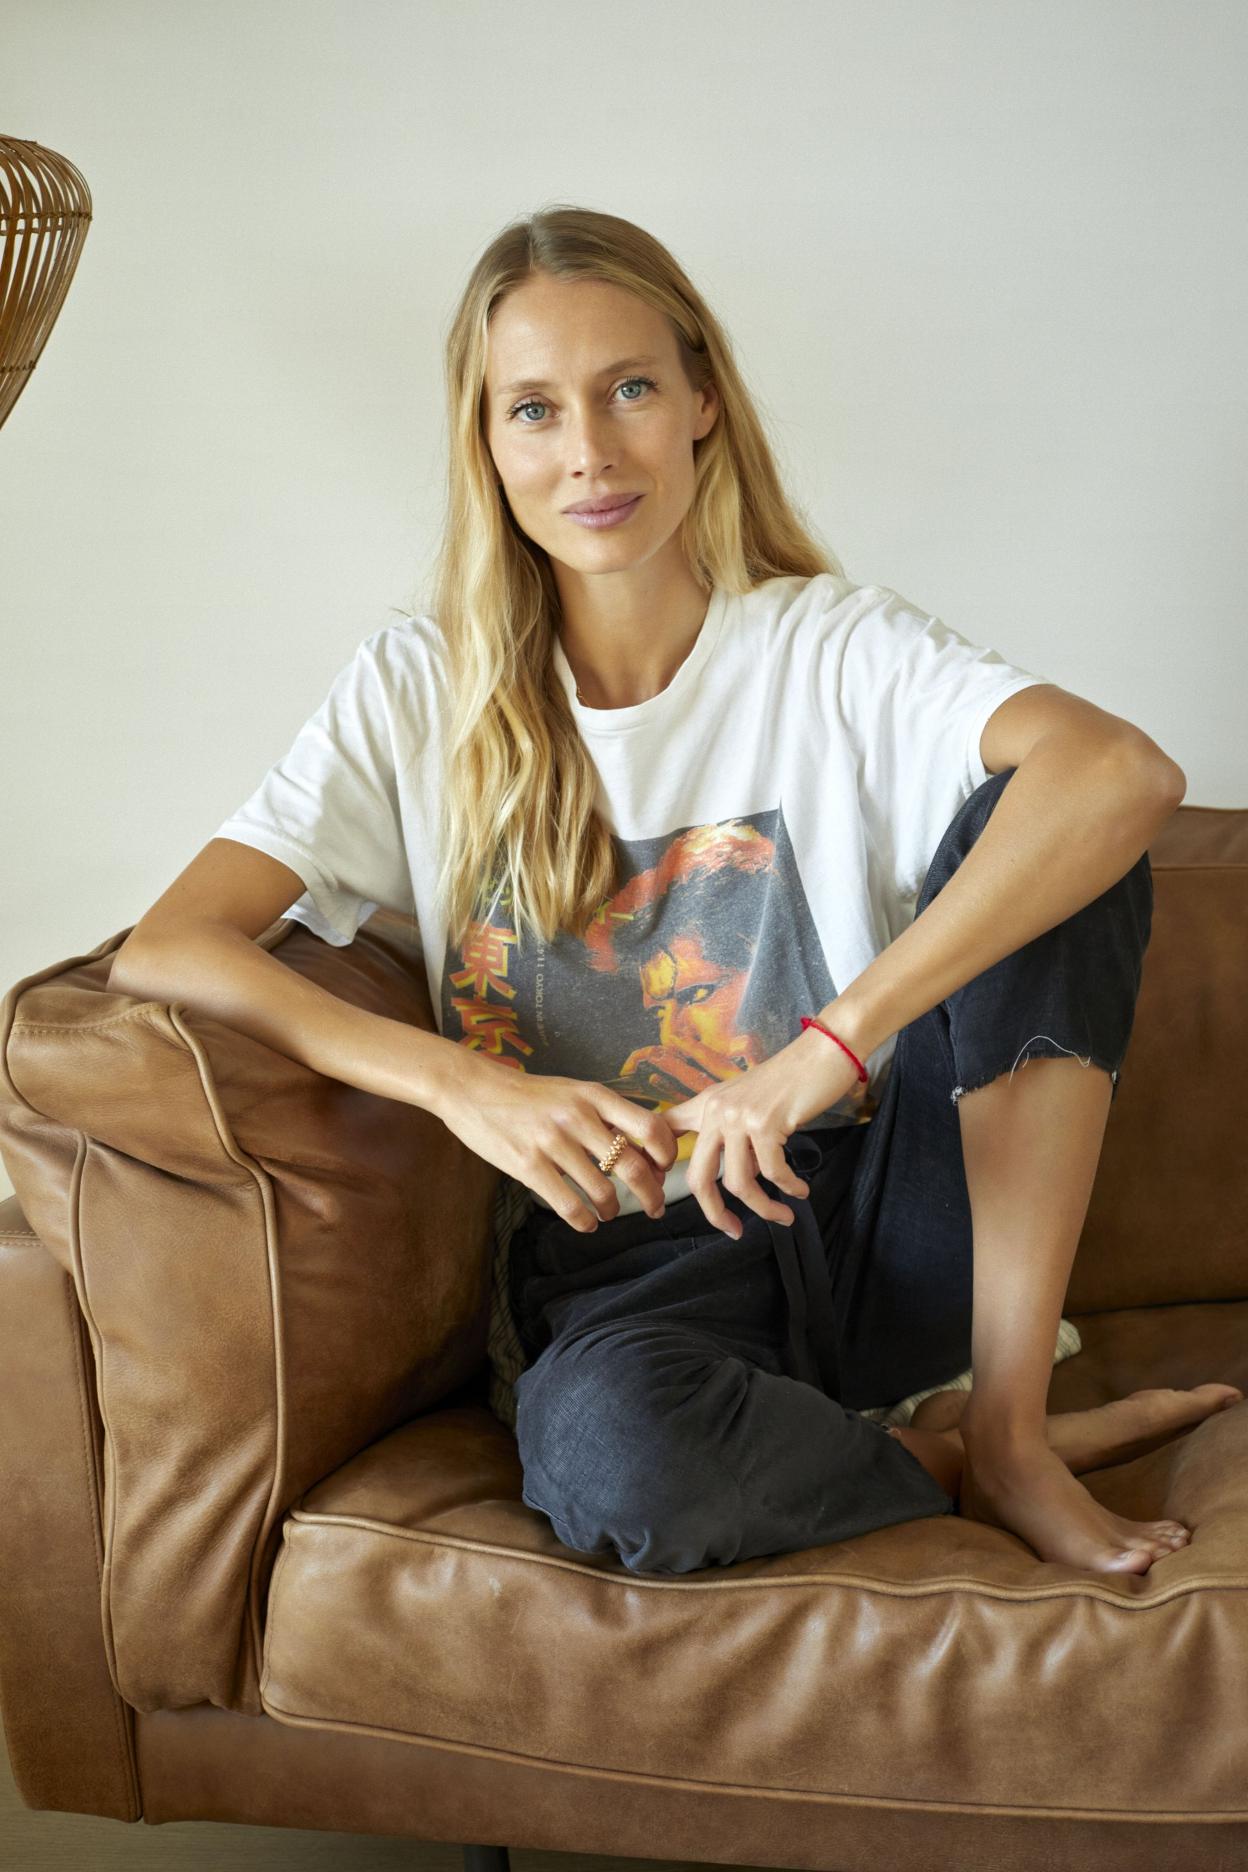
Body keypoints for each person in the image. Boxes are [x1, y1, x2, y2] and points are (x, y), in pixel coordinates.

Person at [110, 204, 1241, 1583]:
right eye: (535, 409)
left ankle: (1007, 1430)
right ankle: (931, 1464)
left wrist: (824, 1052)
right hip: (630, 1263)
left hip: (891, 1211)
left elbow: (1120, 771)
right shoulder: (417, 690)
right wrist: (463, 1087)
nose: (589, 451)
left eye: (630, 389)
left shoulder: (829, 648)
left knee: (1059, 828)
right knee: (616, 1460)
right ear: (486, 443)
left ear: (703, 400)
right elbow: (171, 947)